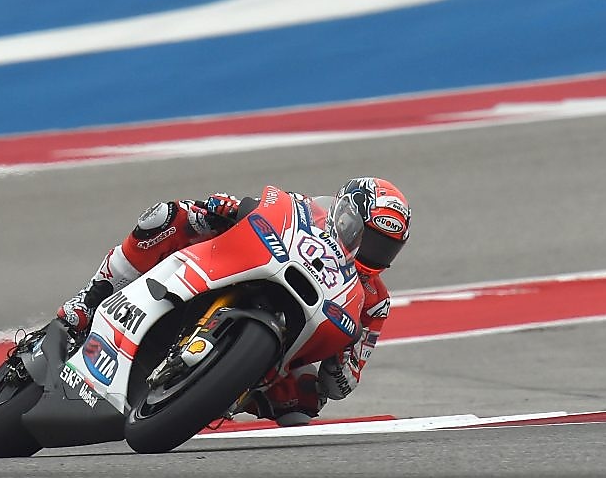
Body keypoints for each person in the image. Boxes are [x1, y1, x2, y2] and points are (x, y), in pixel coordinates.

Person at [55, 177, 411, 426]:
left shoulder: (375, 302)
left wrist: (340, 364)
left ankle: (225, 391)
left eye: (385, 248)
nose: (375, 254)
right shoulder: (305, 209)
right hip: (241, 265)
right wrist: (226, 207)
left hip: (291, 341)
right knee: (164, 218)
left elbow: (345, 380)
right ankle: (90, 299)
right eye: (371, 240)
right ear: (347, 217)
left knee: (303, 400)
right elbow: (260, 209)